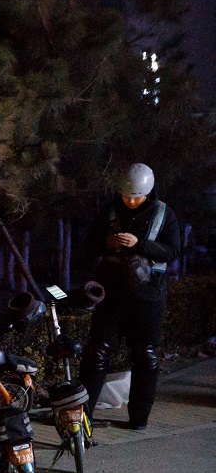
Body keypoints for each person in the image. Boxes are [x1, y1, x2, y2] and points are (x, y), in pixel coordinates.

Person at [80, 163, 180, 430]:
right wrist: (107, 243)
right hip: (111, 294)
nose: (131, 201)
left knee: (145, 355)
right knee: (97, 352)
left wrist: (140, 244)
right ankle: (82, 417)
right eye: (127, 196)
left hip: (148, 296)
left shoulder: (163, 213)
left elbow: (173, 251)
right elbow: (89, 244)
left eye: (137, 196)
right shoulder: (110, 211)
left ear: (148, 192)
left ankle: (139, 419)